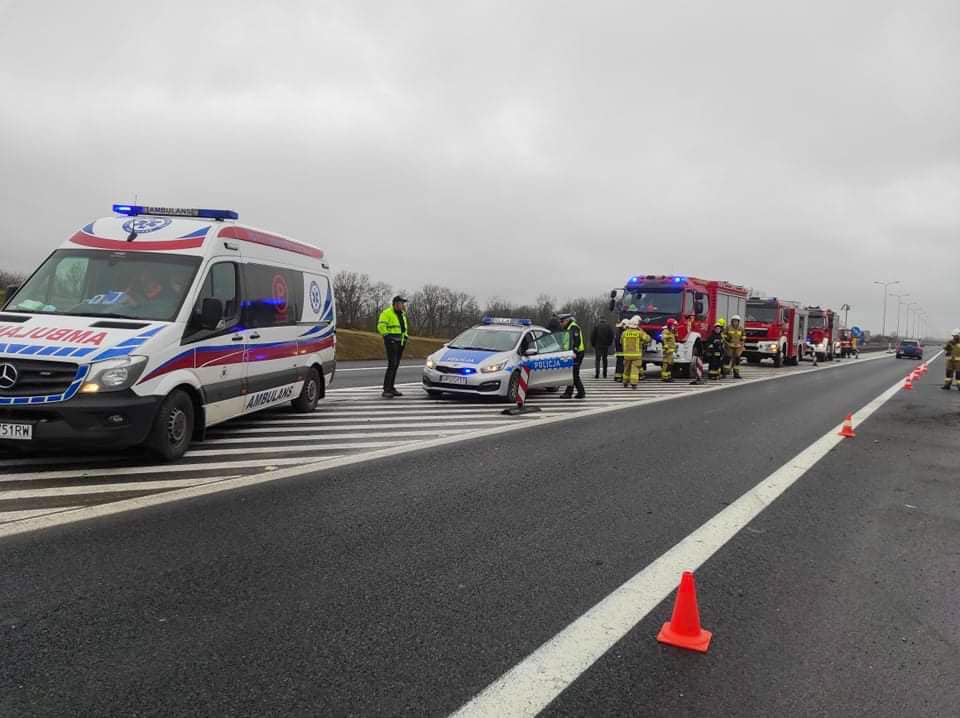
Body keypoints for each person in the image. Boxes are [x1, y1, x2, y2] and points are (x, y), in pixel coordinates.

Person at [377, 295, 409, 398]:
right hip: (391, 342)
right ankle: (386, 389)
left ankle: (391, 388)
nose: (403, 305)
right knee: (392, 365)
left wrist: (405, 338)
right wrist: (387, 337)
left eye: (403, 304)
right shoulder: (387, 313)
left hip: (400, 342)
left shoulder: (402, 314)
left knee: (395, 366)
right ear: (395, 304)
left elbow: (403, 329)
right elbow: (381, 326)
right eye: (401, 303)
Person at [559, 313, 586, 398]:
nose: (561, 323)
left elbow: (577, 341)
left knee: (574, 373)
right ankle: (573, 393)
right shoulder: (569, 327)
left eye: (562, 321)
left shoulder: (573, 327)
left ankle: (578, 392)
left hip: (576, 354)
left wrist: (574, 351)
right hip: (572, 353)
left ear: (567, 320)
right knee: (572, 373)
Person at [619, 316, 651, 388]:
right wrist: (642, 331)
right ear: (637, 325)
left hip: (626, 355)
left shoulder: (624, 333)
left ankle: (625, 382)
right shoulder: (639, 333)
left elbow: (621, 342)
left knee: (626, 369)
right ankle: (633, 383)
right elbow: (648, 339)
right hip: (636, 355)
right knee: (635, 369)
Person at [723, 314, 746, 379]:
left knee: (737, 359)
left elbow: (744, 335)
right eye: (734, 321)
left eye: (737, 321)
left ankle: (736, 374)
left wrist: (742, 340)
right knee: (728, 358)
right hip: (729, 345)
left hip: (738, 346)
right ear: (732, 321)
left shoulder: (741, 329)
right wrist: (727, 339)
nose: (735, 322)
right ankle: (725, 373)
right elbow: (724, 335)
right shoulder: (728, 327)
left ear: (738, 322)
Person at [660, 318, 678, 382]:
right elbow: (663, 340)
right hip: (667, 351)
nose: (674, 326)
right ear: (670, 325)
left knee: (670, 364)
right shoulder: (665, 331)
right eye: (673, 325)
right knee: (666, 364)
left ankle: (668, 376)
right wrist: (666, 347)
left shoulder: (671, 331)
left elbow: (675, 338)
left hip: (671, 351)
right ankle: (665, 377)